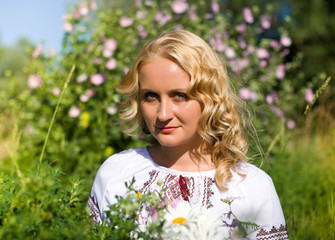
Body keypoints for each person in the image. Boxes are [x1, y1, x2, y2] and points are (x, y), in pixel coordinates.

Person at [87, 29, 288, 239]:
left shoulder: (251, 187)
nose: (163, 114)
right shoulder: (116, 174)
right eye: (150, 96)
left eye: (179, 96)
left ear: (211, 98)